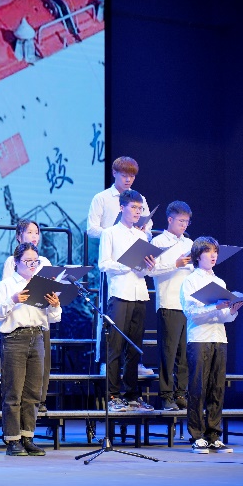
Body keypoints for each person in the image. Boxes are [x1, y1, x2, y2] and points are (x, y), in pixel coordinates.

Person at [0, 242, 61, 456]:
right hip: (14, 338)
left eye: (35, 262)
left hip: (37, 337)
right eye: (27, 261)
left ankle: (27, 436)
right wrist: (12, 300)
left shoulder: (43, 284)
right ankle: (13, 440)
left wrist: (55, 305)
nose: (32, 265)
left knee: (33, 392)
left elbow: (53, 318)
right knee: (13, 391)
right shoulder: (6, 285)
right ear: (16, 262)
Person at [86, 156, 153, 376]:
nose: (128, 180)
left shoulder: (139, 198)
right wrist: (114, 232)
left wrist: (141, 230)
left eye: (132, 176)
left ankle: (134, 364)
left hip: (135, 262)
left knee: (135, 322)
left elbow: (149, 226)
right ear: (114, 173)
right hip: (113, 256)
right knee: (109, 315)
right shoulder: (102, 198)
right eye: (124, 175)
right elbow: (91, 229)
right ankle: (107, 362)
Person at [181, 236, 243, 454]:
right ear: (198, 256)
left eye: (215, 252)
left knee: (217, 388)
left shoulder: (220, 282)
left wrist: (232, 310)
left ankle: (214, 435)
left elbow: (224, 317)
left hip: (219, 337)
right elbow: (191, 313)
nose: (213, 255)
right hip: (199, 338)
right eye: (208, 252)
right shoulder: (190, 281)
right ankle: (197, 436)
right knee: (197, 387)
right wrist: (215, 307)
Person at [98, 189, 156, 413]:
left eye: (140, 209)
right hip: (119, 294)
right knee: (116, 346)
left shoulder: (142, 236)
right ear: (122, 208)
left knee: (134, 347)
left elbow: (144, 271)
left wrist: (148, 266)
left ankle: (132, 394)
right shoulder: (110, 233)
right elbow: (104, 264)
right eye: (133, 207)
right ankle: (113, 395)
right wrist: (127, 264)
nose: (137, 212)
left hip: (139, 293)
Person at [1, 219, 53, 413]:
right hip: (19, 320)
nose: (34, 236)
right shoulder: (11, 261)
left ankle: (40, 400)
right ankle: (21, 405)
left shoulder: (44, 262)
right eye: (29, 232)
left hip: (40, 317)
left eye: (36, 232)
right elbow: (7, 289)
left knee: (42, 363)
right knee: (18, 372)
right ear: (19, 236)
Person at [149, 201, 194, 411]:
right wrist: (175, 264)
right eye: (181, 221)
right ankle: (166, 395)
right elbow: (151, 271)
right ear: (170, 219)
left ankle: (181, 393)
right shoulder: (158, 242)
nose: (184, 225)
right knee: (168, 353)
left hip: (187, 305)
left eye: (187, 222)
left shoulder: (190, 243)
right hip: (168, 302)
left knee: (184, 353)